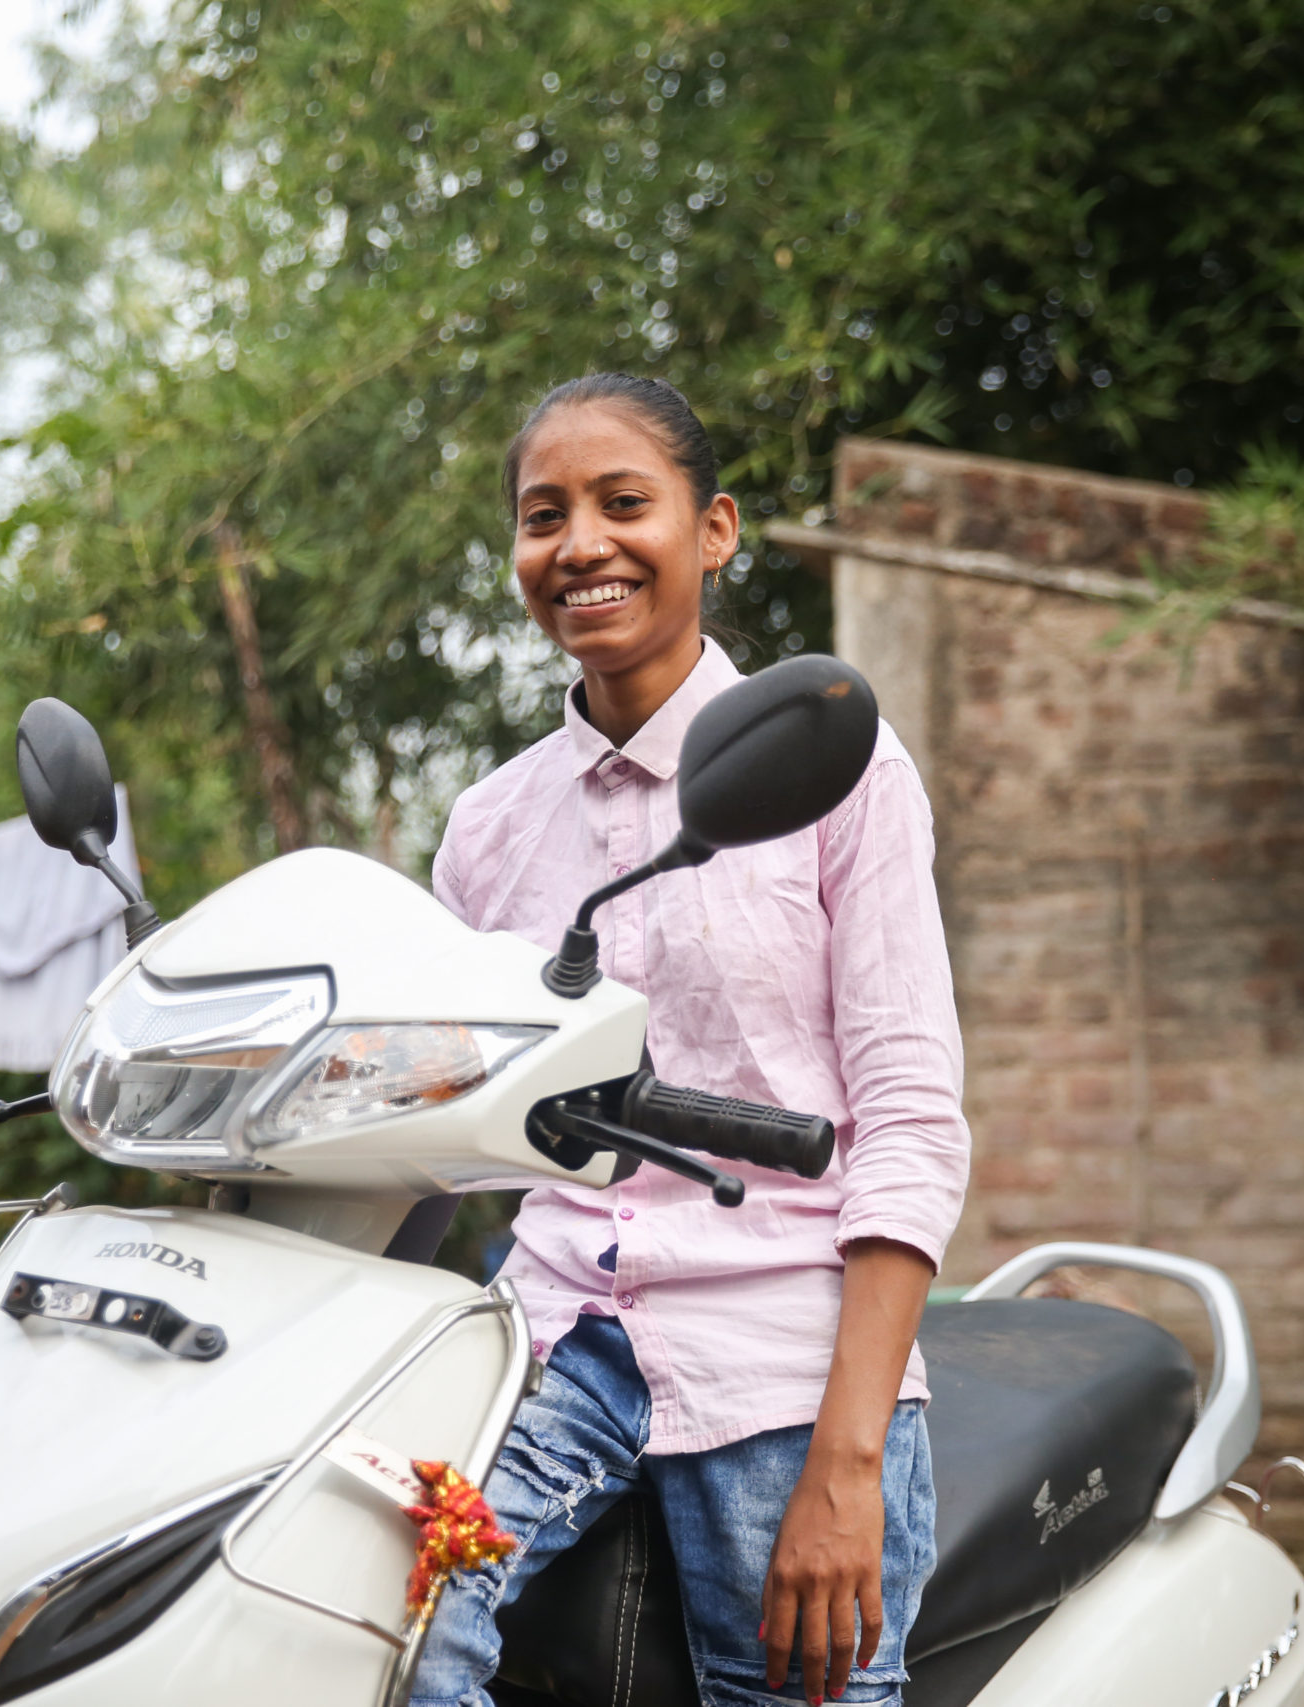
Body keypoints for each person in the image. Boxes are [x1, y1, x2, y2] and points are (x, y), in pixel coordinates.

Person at [417, 374, 970, 1707]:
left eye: (624, 504)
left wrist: (847, 1469)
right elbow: (440, 1119)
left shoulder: (845, 767)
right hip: (549, 1336)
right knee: (381, 1625)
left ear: (712, 530)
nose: (581, 546)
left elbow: (908, 1116)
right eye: (544, 517)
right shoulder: (490, 829)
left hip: (782, 1340)